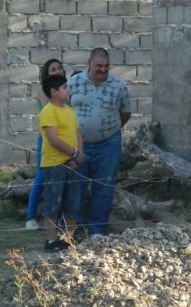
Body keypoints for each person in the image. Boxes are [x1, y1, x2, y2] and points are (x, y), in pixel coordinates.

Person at [68, 48, 131, 237]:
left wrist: (107, 128)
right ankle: (74, 229)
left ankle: (97, 230)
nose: (103, 70)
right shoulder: (73, 83)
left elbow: (125, 113)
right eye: (99, 66)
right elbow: (63, 110)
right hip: (78, 144)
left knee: (104, 187)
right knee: (75, 186)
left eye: (106, 66)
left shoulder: (119, 86)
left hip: (108, 144)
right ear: (89, 64)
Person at [38, 75, 84, 251]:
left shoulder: (70, 110)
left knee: (72, 201)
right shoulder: (48, 111)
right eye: (64, 87)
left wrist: (79, 155)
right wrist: (73, 152)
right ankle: (51, 240)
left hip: (72, 164)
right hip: (54, 166)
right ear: (54, 92)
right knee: (53, 202)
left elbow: (77, 133)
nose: (68, 90)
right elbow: (52, 139)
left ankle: (68, 238)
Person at [26, 59, 67, 230]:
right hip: (48, 138)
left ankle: (62, 218)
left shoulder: (66, 89)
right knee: (42, 177)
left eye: (59, 68)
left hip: (66, 138)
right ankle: (30, 218)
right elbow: (51, 111)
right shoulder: (44, 91)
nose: (57, 71)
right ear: (46, 74)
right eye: (53, 69)